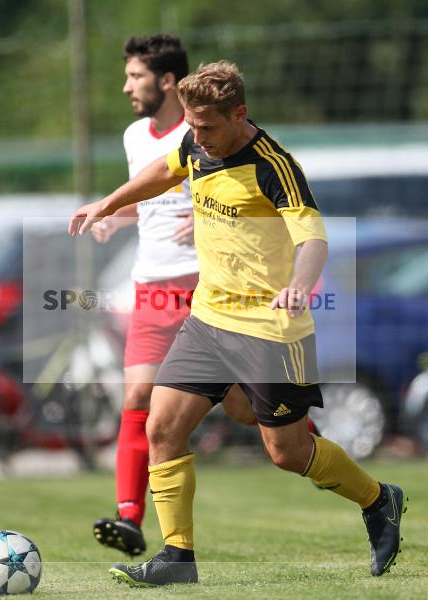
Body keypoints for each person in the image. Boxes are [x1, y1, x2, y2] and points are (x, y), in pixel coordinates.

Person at [70, 61, 405, 586]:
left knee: (287, 453)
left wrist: (300, 285)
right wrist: (110, 202)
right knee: (162, 427)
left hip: (271, 329)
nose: (197, 136)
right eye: (191, 125)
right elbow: (165, 170)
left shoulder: (275, 166)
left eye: (207, 126)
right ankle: (177, 556)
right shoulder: (195, 143)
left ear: (239, 114)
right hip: (208, 319)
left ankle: (378, 499)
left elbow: (313, 240)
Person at [90, 34, 257, 558]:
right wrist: (116, 215)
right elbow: (150, 197)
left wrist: (208, 219)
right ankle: (130, 519)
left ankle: (303, 433)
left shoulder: (205, 130)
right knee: (136, 397)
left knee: (246, 410)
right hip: (151, 286)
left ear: (166, 81)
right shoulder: (134, 136)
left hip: (205, 285)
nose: (127, 87)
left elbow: (248, 195)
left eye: (135, 76)